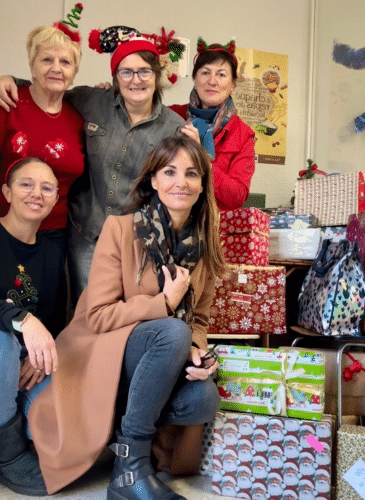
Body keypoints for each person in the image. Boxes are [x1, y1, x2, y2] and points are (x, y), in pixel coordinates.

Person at [26, 136, 225, 500]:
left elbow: (199, 319)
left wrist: (198, 353)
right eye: (170, 171)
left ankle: (129, 434)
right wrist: (164, 303)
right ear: (153, 180)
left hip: (160, 357)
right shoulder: (120, 229)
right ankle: (129, 470)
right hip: (105, 355)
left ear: (202, 185)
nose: (181, 181)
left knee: (202, 397)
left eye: (191, 174)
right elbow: (98, 316)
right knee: (171, 332)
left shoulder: (205, 245)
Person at [0, 25, 189, 304]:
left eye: (144, 71)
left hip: (136, 239)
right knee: (85, 314)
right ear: (115, 78)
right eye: (126, 72)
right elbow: (49, 86)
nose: (135, 80)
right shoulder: (92, 101)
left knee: (128, 312)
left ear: (157, 75)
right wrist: (8, 79)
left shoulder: (176, 129)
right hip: (84, 233)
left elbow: (185, 186)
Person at [0, 157, 66, 496]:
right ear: (7, 192)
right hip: (2, 351)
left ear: (56, 198)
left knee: (66, 424)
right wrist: (21, 319)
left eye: (47, 187)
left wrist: (39, 359)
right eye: (26, 184)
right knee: (2, 342)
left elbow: (54, 321)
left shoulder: (53, 255)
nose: (36, 193)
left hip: (25, 365)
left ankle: (18, 429)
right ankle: (8, 456)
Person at [0, 22, 85, 257]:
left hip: (55, 236)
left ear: (74, 72)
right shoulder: (8, 105)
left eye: (65, 62)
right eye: (47, 60)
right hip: (6, 228)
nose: (56, 68)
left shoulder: (78, 120)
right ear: (32, 67)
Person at [171, 37, 256, 211]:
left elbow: (237, 196)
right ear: (195, 79)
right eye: (205, 72)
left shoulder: (242, 134)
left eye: (221, 74)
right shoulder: (171, 116)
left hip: (214, 229)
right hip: (168, 223)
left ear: (233, 84)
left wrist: (200, 157)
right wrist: (105, 95)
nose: (212, 81)